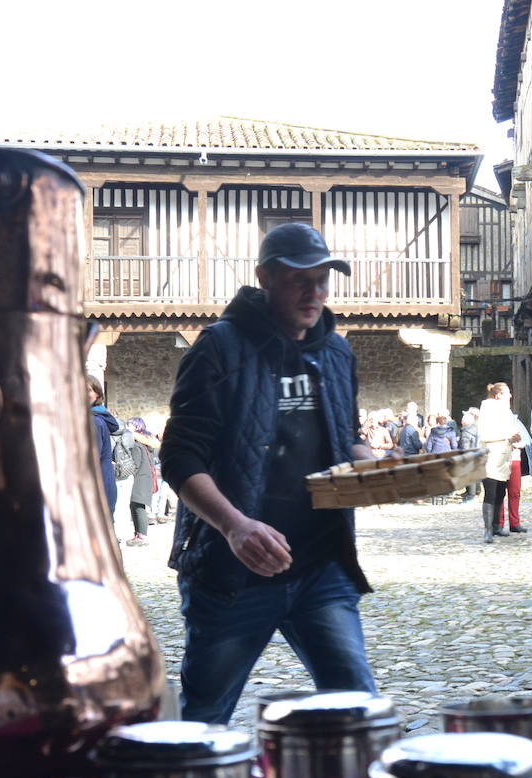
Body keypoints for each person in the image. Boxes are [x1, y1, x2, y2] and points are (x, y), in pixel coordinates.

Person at [159, 221, 378, 724]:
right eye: (300, 278)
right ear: (265, 277)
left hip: (323, 565)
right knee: (204, 719)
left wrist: (376, 465)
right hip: (235, 572)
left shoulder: (337, 351)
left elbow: (348, 437)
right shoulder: (218, 348)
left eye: (323, 278)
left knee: (357, 706)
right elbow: (180, 457)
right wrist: (235, 526)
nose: (314, 291)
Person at [478, 381, 519, 543]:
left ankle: (496, 526)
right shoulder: (488, 410)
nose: (510, 395)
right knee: (491, 493)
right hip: (491, 456)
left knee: (501, 492)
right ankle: (488, 530)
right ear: (498, 395)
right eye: (507, 392)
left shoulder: (506, 411)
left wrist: (515, 438)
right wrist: (507, 436)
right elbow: (485, 434)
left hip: (504, 457)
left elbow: (511, 431)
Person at [88, 375, 120, 519]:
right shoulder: (97, 418)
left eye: (88, 390)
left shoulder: (93, 421)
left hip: (96, 490)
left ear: (98, 395)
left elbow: (90, 460)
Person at [123, 417, 159, 547]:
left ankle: (142, 536)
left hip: (140, 478)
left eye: (129, 425)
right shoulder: (145, 442)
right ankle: (138, 534)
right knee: (137, 506)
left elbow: (136, 464)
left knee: (138, 507)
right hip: (146, 477)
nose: (127, 427)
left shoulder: (137, 444)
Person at [496, 414, 532, 534]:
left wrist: (511, 442)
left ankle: (515, 523)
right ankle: (498, 524)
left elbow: (521, 443)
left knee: (515, 492)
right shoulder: (496, 427)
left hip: (514, 459)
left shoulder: (516, 426)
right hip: (501, 460)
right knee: (499, 493)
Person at [458, 407, 480, 501]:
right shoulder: (474, 429)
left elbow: (465, 447)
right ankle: (471, 493)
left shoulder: (466, 432)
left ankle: (471, 496)